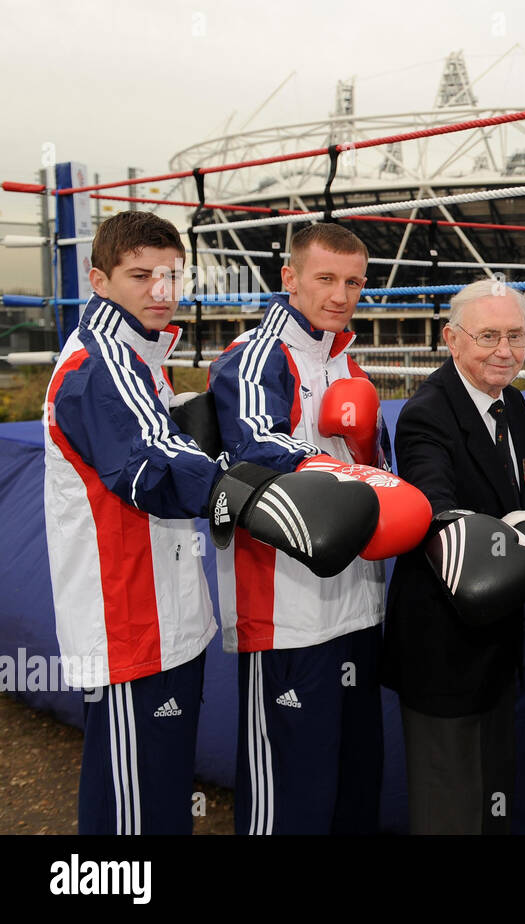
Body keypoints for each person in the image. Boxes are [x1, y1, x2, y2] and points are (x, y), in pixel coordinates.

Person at [42, 211, 221, 834]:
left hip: (164, 614)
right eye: (141, 275)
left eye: (171, 275)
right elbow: (151, 472)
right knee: (130, 810)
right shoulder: (98, 365)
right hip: (128, 623)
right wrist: (252, 492)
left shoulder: (139, 357)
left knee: (161, 796)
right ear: (99, 280)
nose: (161, 291)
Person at [209, 222, 388, 835]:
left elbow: (377, 475)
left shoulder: (346, 362)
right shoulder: (257, 355)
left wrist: (370, 455)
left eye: (354, 282)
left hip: (356, 605)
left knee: (354, 783)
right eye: (326, 279)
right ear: (290, 278)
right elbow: (259, 446)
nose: (341, 295)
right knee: (290, 795)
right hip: (284, 611)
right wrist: (352, 472)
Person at [381, 278, 525, 834]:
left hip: (500, 640)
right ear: (451, 340)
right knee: (448, 804)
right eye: (487, 337)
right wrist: (515, 535)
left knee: (493, 794)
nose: (504, 351)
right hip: (444, 647)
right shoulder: (426, 412)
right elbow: (437, 510)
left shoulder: (514, 404)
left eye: (515, 336)